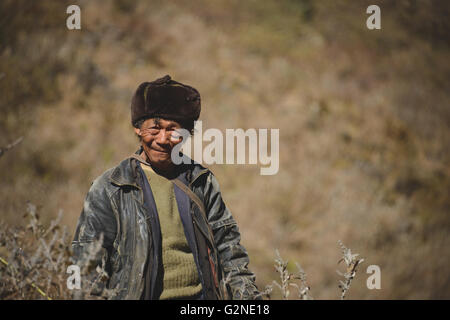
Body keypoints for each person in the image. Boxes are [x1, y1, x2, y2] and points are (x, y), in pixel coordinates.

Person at [72, 75, 260, 300]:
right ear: (138, 129)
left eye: (173, 130)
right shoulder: (111, 188)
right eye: (155, 128)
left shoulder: (201, 181)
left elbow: (230, 250)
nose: (163, 139)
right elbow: (85, 267)